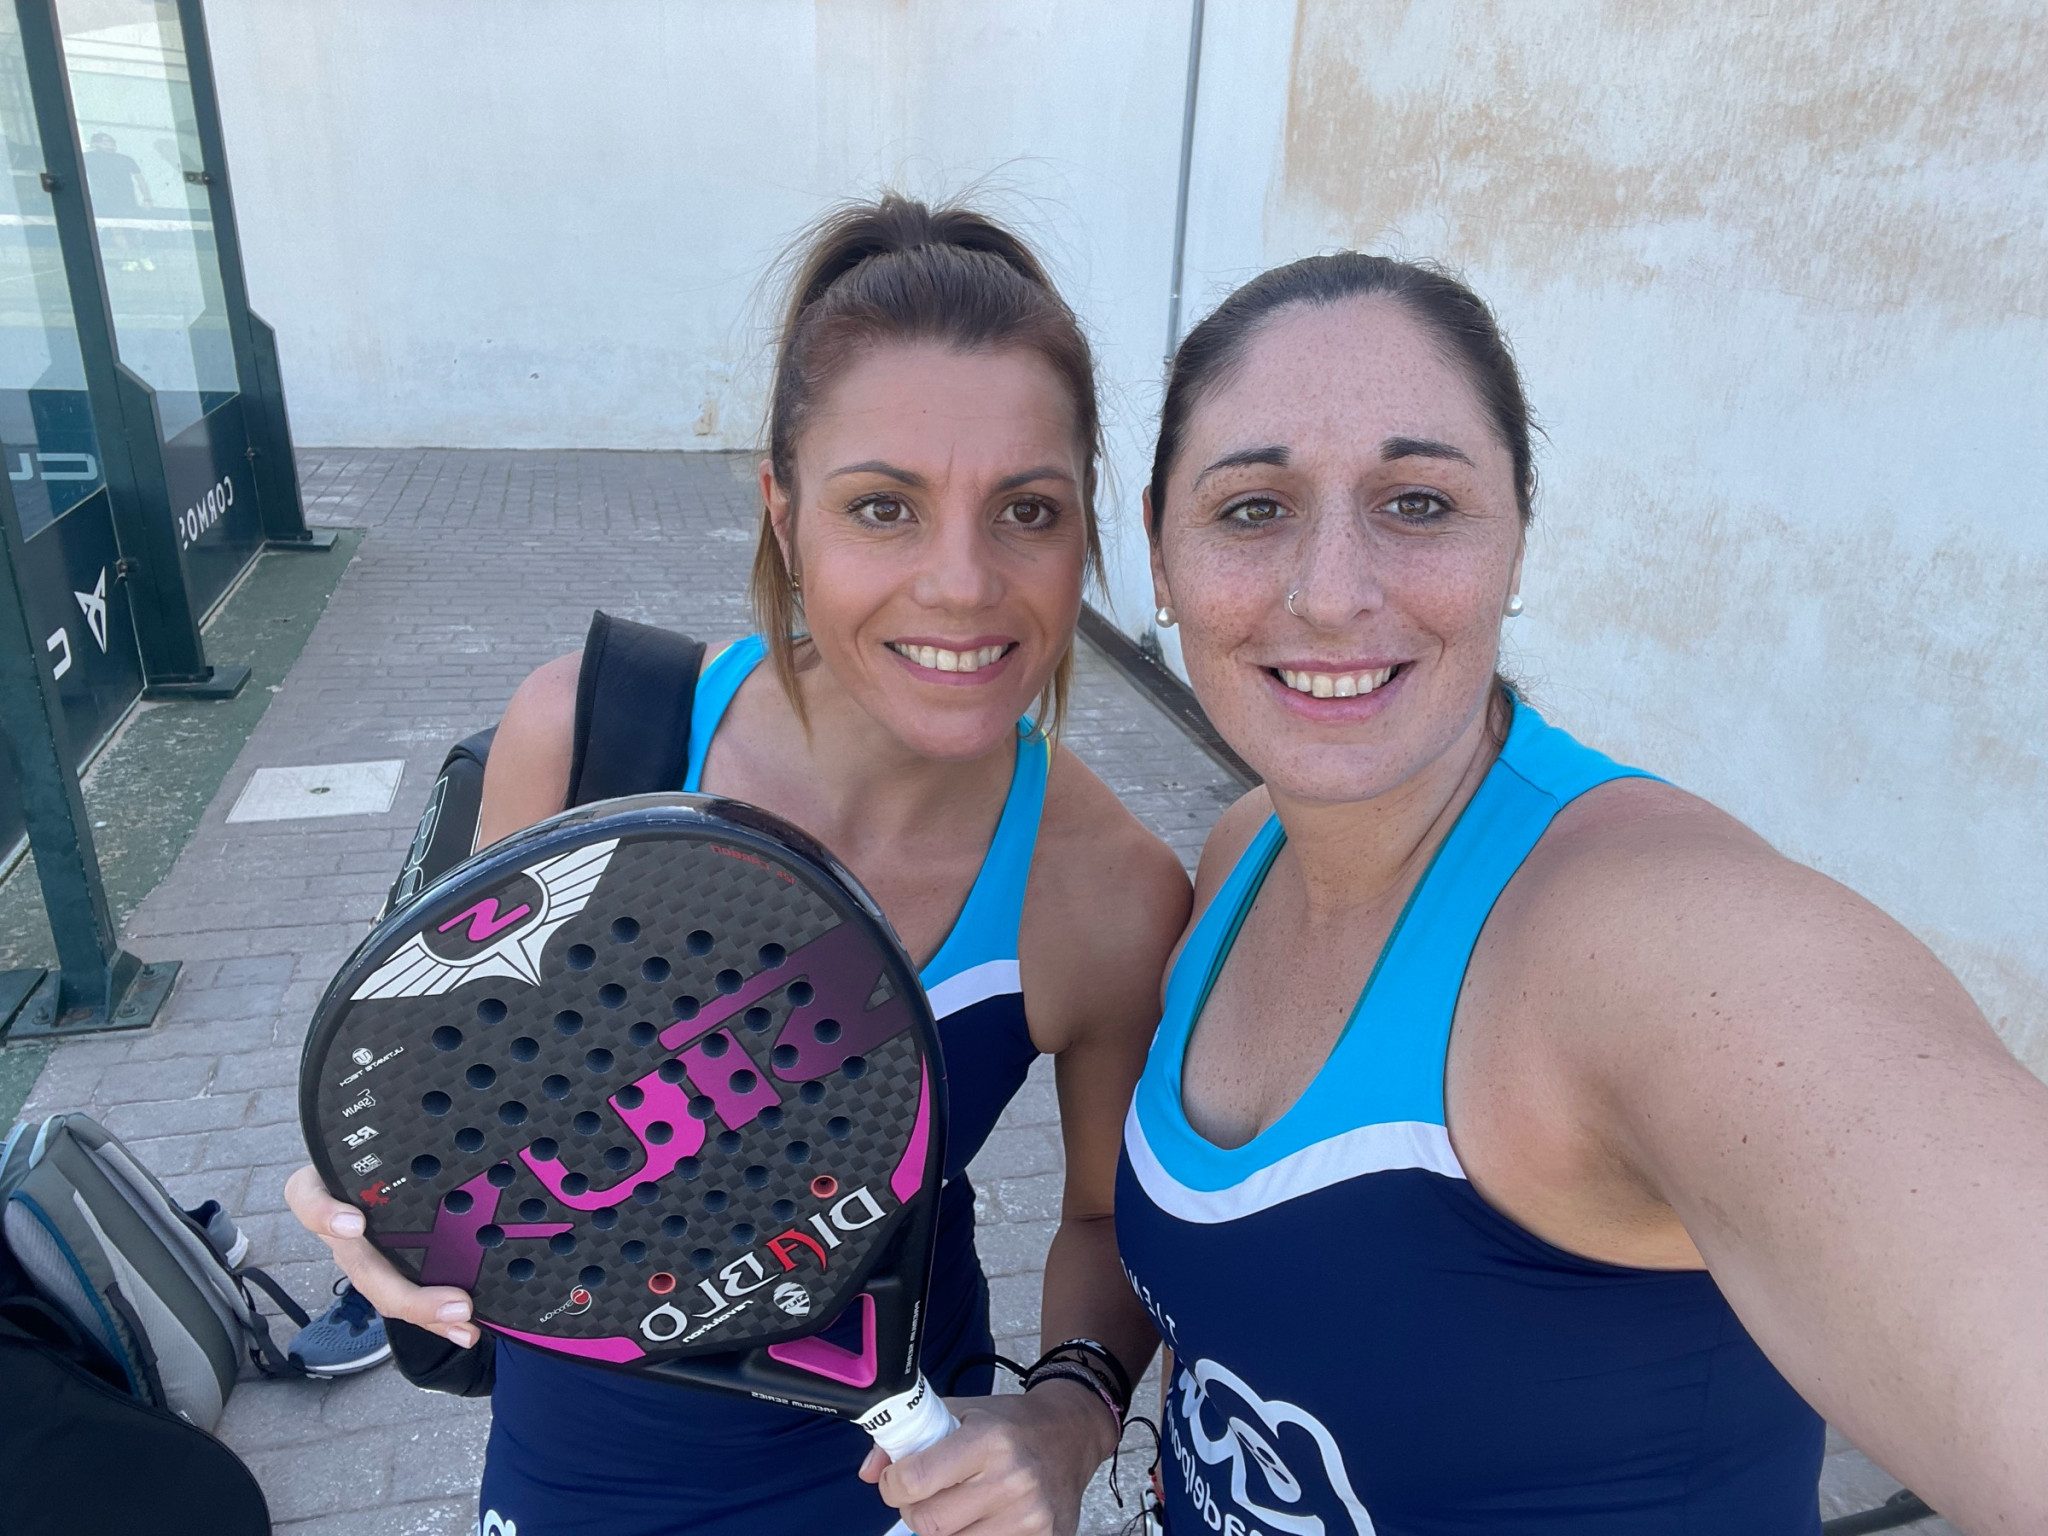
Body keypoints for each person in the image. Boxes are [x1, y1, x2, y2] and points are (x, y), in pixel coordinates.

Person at [286, 196, 1187, 1536]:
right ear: (782, 515)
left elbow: (1107, 1222)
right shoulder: (592, 739)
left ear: (1083, 534)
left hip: (904, 1486)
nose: (960, 582)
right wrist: (361, 1209)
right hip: (573, 1479)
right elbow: (426, 1098)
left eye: (1026, 510)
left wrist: (1067, 1416)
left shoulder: (1107, 892)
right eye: (882, 506)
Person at [1118, 254, 2048, 1534]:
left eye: (1418, 503)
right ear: (1159, 556)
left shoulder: (1661, 944)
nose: (1329, 593)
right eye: (1250, 508)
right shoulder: (1242, 856)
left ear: (1514, 541)